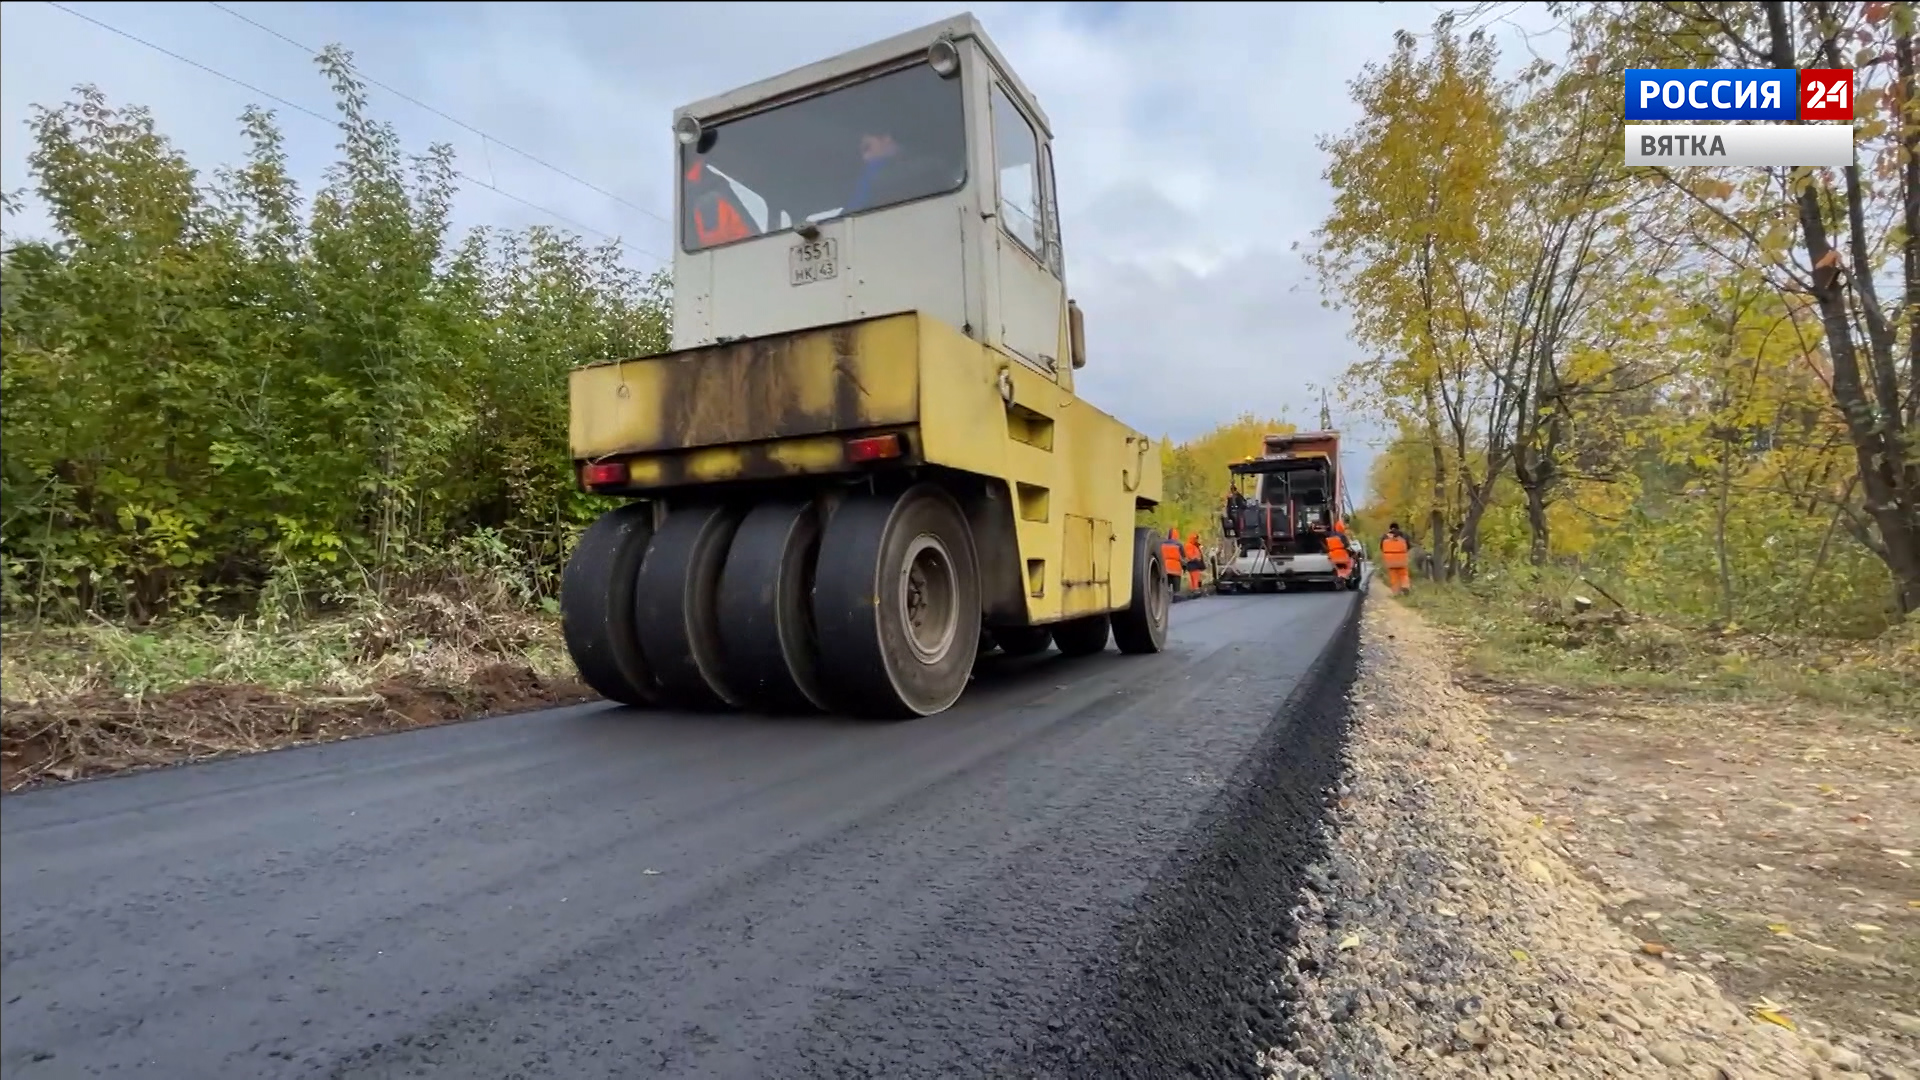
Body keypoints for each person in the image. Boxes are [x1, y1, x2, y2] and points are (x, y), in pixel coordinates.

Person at [1380, 522, 1412, 596]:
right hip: (1402, 560)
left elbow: (1382, 548)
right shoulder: (1404, 535)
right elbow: (1408, 546)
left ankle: (1396, 593)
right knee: (1404, 575)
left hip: (1390, 561)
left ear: (1390, 528)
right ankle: (1405, 586)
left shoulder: (1385, 536)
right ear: (1398, 528)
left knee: (1393, 577)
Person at [1161, 527, 1184, 592]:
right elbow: (1183, 556)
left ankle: (1166, 597)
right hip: (1176, 569)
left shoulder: (1163, 544)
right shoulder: (1179, 545)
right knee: (1176, 590)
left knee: (1165, 587)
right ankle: (1176, 598)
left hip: (1166, 568)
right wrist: (1184, 566)